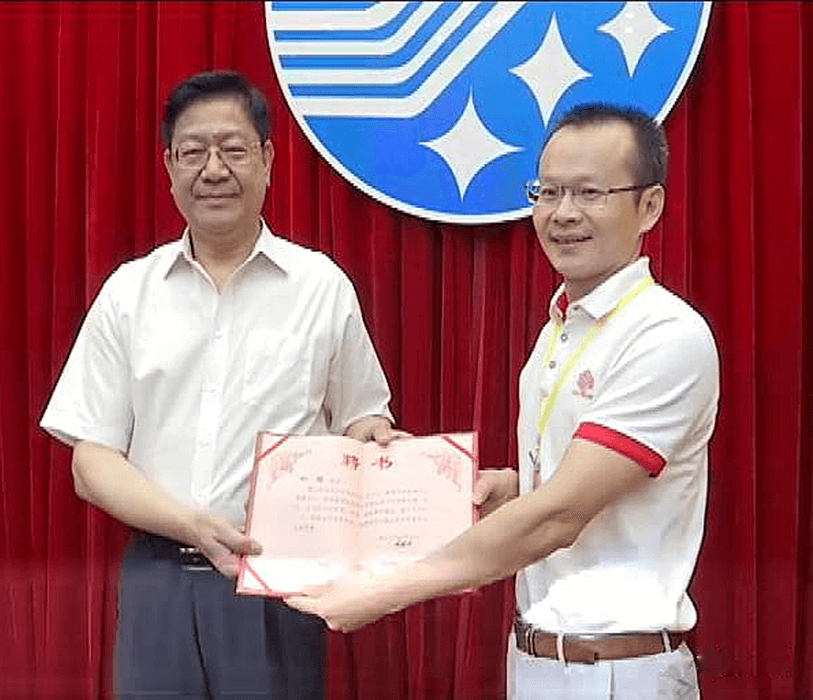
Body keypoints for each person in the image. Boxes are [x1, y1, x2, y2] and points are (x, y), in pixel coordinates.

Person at [287, 104, 719, 700]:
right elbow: (580, 488)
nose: (563, 213)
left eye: (590, 193)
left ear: (650, 206)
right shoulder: (560, 328)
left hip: (618, 671)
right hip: (535, 659)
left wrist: (383, 592)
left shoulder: (665, 334)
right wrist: (511, 490)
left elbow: (559, 516)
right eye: (549, 192)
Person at [40, 70, 401, 700]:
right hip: (158, 579)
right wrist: (188, 524)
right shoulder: (129, 293)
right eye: (193, 152)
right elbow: (91, 462)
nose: (214, 169)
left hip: (276, 580)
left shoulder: (321, 287)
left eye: (233, 149)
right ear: (168, 167)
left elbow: (362, 418)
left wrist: (376, 443)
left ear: (267, 159)